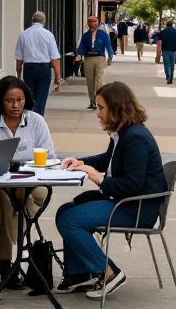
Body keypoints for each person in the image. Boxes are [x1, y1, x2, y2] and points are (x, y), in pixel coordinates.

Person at [55, 81, 168, 300]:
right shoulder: (124, 133)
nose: (97, 113)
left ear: (116, 108)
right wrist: (79, 162)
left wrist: (95, 176)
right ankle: (79, 273)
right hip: (127, 202)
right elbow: (108, 160)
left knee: (70, 220)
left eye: (101, 108)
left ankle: (109, 272)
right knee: (64, 211)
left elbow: (131, 185)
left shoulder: (135, 138)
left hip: (137, 208)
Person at [0, 75, 56, 287]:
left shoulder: (36, 121)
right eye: (10, 100)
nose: (15, 105)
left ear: (25, 99)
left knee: (15, 201)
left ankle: (9, 261)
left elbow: (51, 158)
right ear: (1, 101)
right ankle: (7, 264)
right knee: (0, 198)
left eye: (20, 100)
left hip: (33, 183)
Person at [14, 10, 61, 115]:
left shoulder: (23, 35)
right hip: (44, 69)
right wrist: (58, 77)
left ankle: (28, 118)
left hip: (29, 69)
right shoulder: (48, 35)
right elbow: (55, 58)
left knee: (29, 97)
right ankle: (38, 119)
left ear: (32, 21)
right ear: (44, 21)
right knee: (41, 97)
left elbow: (19, 58)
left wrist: (18, 75)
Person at [76, 16, 115, 109]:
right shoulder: (85, 35)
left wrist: (110, 56)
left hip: (100, 59)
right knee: (90, 82)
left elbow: (108, 46)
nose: (92, 24)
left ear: (97, 24)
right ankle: (92, 102)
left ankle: (99, 102)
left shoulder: (103, 34)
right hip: (88, 59)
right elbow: (81, 47)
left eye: (94, 22)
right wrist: (78, 54)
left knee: (98, 81)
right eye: (90, 22)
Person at [155, 19, 176, 85]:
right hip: (173, 50)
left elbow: (159, 42)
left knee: (166, 64)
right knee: (172, 64)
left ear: (166, 25)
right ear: (172, 25)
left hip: (165, 50)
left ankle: (168, 76)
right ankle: (171, 77)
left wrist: (159, 50)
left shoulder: (162, 32)